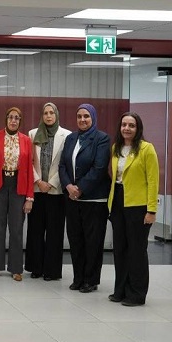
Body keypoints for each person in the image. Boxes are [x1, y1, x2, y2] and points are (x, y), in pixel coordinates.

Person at [108, 112, 159, 306]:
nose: (127, 128)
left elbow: (153, 181)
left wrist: (151, 210)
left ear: (138, 129)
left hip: (138, 205)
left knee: (136, 250)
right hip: (118, 202)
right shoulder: (116, 148)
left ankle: (137, 294)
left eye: (131, 125)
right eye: (124, 125)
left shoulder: (147, 149)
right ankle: (120, 290)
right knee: (120, 249)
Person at [59, 104, 111, 293]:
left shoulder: (102, 139)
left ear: (93, 118)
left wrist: (80, 189)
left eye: (86, 116)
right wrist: (68, 186)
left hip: (93, 200)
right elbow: (62, 166)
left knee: (93, 242)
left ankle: (91, 280)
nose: (82, 119)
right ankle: (78, 278)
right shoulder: (71, 138)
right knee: (76, 240)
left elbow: (99, 168)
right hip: (72, 199)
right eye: (79, 116)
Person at [0, 107, 34, 281]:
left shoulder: (26, 140)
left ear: (20, 121)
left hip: (18, 186)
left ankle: (16, 268)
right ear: (6, 119)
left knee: (16, 228)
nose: (13, 121)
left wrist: (29, 198)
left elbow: (29, 170)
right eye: (11, 117)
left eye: (17, 118)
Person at [26, 103, 71, 281]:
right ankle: (36, 268)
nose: (48, 116)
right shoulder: (32, 134)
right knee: (35, 230)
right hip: (37, 189)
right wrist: (38, 180)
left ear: (56, 115)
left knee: (55, 232)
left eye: (52, 112)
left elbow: (66, 164)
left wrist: (51, 183)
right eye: (45, 113)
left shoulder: (67, 135)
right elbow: (28, 161)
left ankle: (52, 271)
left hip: (56, 191)